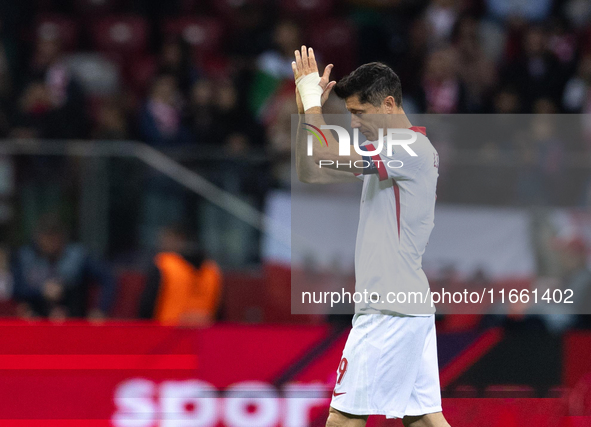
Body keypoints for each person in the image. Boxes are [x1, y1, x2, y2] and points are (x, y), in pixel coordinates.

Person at [292, 47, 450, 426]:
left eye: (358, 112)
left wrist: (313, 101)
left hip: (388, 308)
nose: (353, 121)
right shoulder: (395, 151)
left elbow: (322, 153)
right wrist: (304, 112)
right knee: (424, 420)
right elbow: (312, 172)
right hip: (407, 305)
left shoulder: (407, 148)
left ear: (389, 104)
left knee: (343, 420)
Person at [11, 216, 115, 319]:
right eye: (47, 238)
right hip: (37, 319)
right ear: (38, 238)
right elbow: (17, 289)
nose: (51, 243)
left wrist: (101, 310)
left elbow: (108, 278)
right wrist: (41, 291)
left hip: (72, 319)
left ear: (62, 238)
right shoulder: (26, 257)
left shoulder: (78, 257)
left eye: (54, 238)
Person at [138, 225, 222, 326]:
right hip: (202, 337)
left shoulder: (163, 265)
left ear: (180, 239)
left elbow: (147, 306)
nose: (161, 243)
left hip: (165, 335)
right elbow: (220, 312)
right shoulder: (212, 269)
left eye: (166, 238)